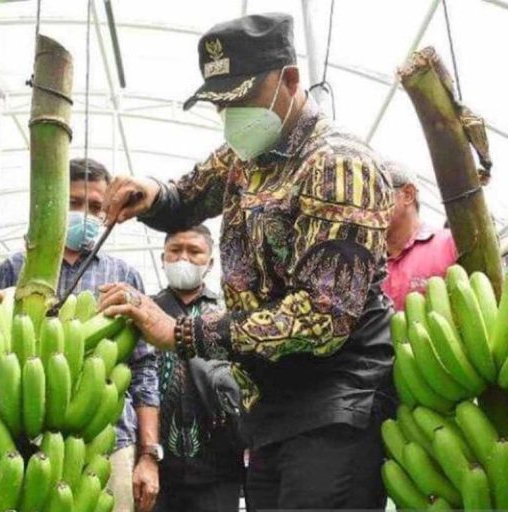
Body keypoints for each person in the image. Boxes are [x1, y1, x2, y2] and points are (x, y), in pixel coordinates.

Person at [97, 13, 396, 510]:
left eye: (242, 100)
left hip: (333, 407)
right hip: (271, 411)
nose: (230, 116)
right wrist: (151, 196)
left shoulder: (339, 165)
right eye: (220, 104)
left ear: (290, 80)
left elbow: (322, 317)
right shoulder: (246, 155)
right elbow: (187, 196)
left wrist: (182, 332)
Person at [0, 158, 160, 512]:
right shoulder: (16, 269)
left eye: (96, 206)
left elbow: (144, 369)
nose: (84, 213)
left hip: (109, 434)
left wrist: (149, 456)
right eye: (74, 202)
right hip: (28, 436)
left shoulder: (124, 275)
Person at [151, 225, 243, 512]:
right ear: (162, 257)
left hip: (218, 466)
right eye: (175, 250)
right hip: (158, 467)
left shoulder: (229, 314)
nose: (183, 258)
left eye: (194, 251)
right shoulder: (148, 312)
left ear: (211, 262)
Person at [382, 161, 458, 311]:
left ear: (408, 195)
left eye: (376, 195)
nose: (367, 207)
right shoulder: (366, 262)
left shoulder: (451, 245)